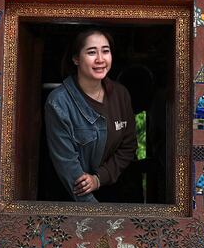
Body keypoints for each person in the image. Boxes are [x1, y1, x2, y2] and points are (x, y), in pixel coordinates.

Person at [44, 29, 137, 203]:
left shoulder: (120, 94)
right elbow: (67, 163)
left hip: (115, 193)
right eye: (92, 52)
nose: (100, 59)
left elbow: (129, 146)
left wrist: (99, 178)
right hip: (74, 201)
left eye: (106, 51)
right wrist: (95, 217)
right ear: (76, 58)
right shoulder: (58, 102)